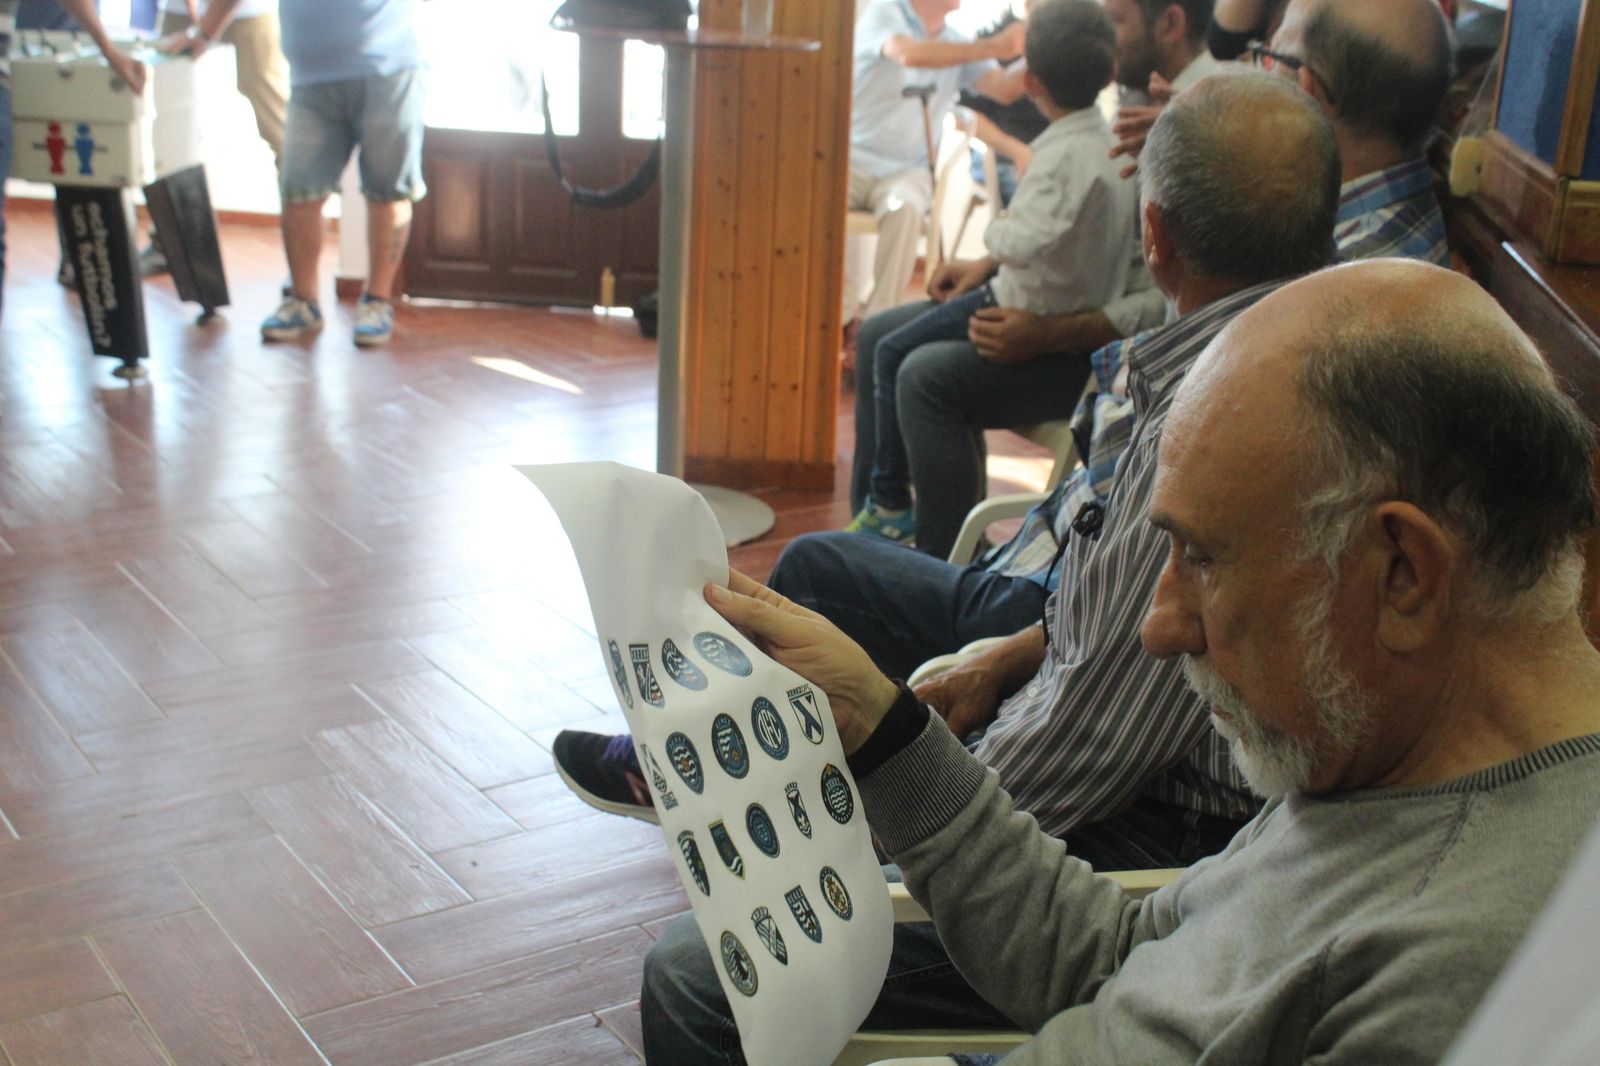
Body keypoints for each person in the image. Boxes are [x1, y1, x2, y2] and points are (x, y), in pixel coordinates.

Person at [691, 258, 1600, 1064]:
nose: (1160, 625)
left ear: (1404, 573)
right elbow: (1117, 959)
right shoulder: (1382, 761)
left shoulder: (1465, 971)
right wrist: (883, 727)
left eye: (1202, 557)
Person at [848, 0, 1219, 559]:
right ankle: (877, 519)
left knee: (920, 372)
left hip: (1082, 343)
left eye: (1117, 22)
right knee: (880, 334)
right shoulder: (1129, 113)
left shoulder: (1188, 133)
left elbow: (1153, 301)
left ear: (1170, 24)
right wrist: (984, 264)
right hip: (1038, 298)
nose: (1111, 45)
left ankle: (936, 558)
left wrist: (1049, 329)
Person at [201, 0, 424, 347]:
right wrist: (203, 33)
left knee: (388, 191)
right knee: (299, 191)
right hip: (310, 80)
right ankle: (303, 303)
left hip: (388, 70)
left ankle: (377, 301)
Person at [843, 0, 1019, 334]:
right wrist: (995, 45)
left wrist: (1039, 44)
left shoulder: (958, 41)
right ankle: (830, 316)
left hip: (906, 171)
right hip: (852, 162)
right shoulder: (885, 13)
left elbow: (1004, 88)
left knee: (905, 209)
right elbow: (906, 52)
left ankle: (873, 327)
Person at [1254, 0, 1452, 264]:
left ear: (1305, 96)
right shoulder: (1407, 220)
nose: (1257, 78)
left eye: (1272, 59)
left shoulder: (1331, 289)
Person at [144, 0, 289, 277]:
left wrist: (205, 31)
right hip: (179, 12)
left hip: (249, 12)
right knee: (166, 132)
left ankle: (300, 258)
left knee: (281, 131)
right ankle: (166, 244)